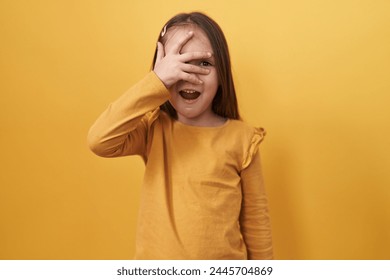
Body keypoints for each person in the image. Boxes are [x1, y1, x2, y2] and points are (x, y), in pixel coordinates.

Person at [88, 12, 273, 260]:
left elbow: (256, 223)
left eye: (204, 63)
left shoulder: (243, 139)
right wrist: (157, 82)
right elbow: (99, 140)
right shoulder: (153, 128)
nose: (189, 75)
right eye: (178, 63)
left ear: (222, 75)